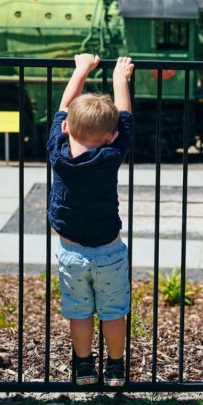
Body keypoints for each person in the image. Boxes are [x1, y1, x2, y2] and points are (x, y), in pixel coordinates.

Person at [47, 54, 135, 387]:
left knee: (79, 312)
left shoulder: (57, 150)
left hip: (71, 251)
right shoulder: (111, 153)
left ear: (66, 127)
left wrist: (81, 69)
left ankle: (84, 366)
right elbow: (125, 118)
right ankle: (115, 368)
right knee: (113, 312)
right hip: (109, 251)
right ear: (112, 137)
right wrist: (119, 78)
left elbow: (63, 107)